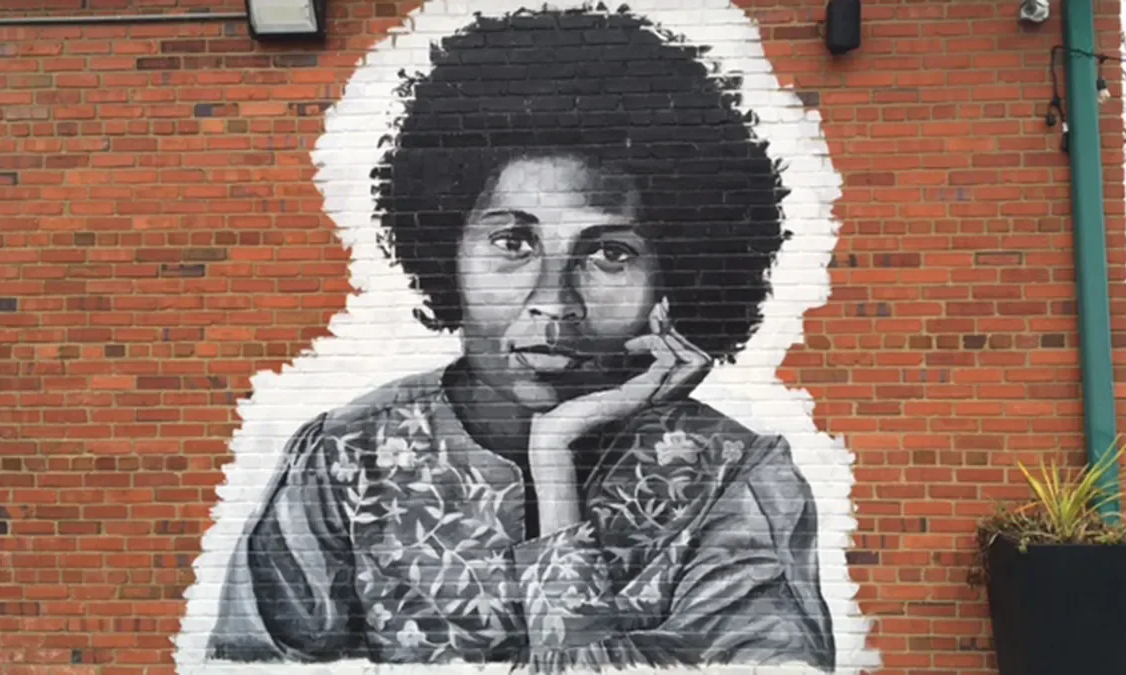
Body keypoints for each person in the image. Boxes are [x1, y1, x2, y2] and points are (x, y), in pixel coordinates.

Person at [208, 7, 836, 673]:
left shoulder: (733, 477)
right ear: (446, 250)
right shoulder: (349, 455)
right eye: (513, 242)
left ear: (673, 279)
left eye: (609, 254)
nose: (553, 300)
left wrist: (554, 457)